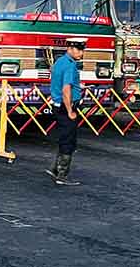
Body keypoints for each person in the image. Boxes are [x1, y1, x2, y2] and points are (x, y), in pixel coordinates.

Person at [46, 37, 86, 186]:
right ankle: (62, 175)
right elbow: (66, 88)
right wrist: (70, 110)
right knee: (69, 140)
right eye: (79, 49)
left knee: (64, 137)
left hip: (58, 104)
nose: (81, 53)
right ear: (70, 48)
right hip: (66, 106)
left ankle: (56, 169)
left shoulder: (59, 62)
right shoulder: (70, 65)